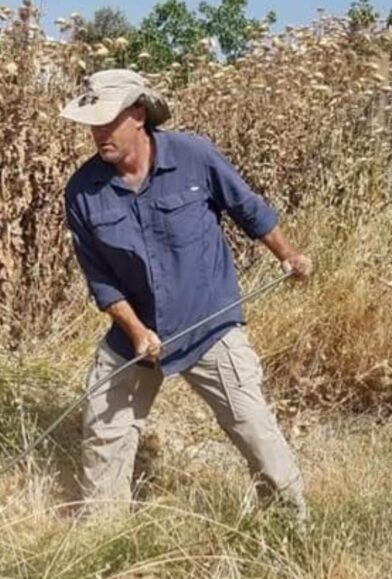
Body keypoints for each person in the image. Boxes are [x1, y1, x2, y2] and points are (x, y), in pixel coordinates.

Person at [59, 69, 311, 521]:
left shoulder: (194, 156)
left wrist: (288, 256)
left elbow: (247, 208)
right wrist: (136, 331)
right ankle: (102, 535)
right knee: (104, 428)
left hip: (208, 324)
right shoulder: (82, 191)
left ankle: (291, 523)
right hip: (135, 338)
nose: (97, 134)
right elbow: (99, 279)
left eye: (107, 121)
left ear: (137, 115)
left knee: (252, 425)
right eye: (92, 124)